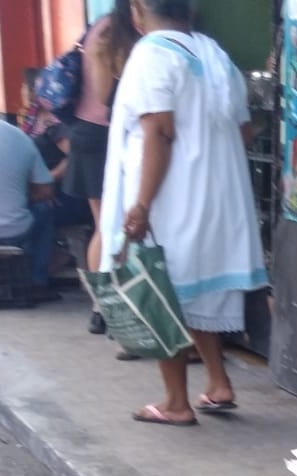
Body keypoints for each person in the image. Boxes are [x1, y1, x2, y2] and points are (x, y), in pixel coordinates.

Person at [100, 0, 267, 426]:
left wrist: (141, 204)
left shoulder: (151, 53)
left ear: (137, 9)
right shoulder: (216, 55)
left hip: (169, 201)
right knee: (196, 296)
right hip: (217, 199)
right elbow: (244, 131)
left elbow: (159, 131)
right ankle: (218, 382)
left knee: (163, 295)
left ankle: (176, 402)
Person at [72, 2, 141, 334]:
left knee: (104, 225)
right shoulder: (116, 32)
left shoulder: (101, 26)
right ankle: (111, 309)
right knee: (111, 226)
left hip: (88, 134)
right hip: (107, 137)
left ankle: (103, 309)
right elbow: (105, 98)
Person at [0, 118, 60, 301]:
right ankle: (38, 283)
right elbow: (46, 191)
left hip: (13, 230)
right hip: (14, 230)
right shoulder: (18, 135)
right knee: (45, 208)